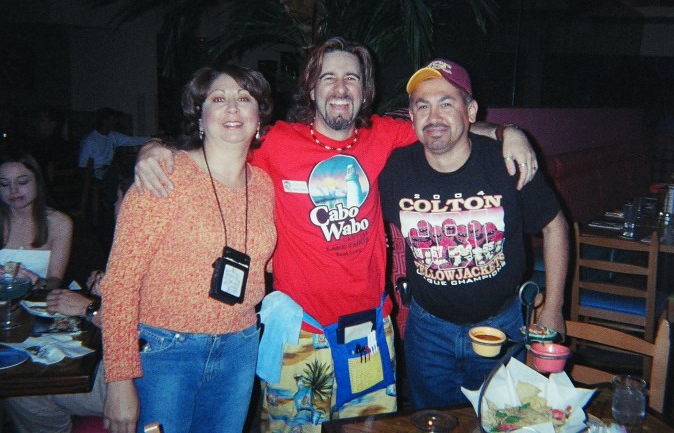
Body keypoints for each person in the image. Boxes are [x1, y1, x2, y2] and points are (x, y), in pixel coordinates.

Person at [133, 37, 538, 431]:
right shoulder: (275, 142)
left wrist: (509, 131)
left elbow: (447, 125)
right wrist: (153, 147)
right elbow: (213, 142)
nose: (341, 88)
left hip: (370, 333)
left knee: (367, 428)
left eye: (352, 78)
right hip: (300, 334)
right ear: (311, 87)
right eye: (328, 77)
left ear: (365, 91)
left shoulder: (385, 135)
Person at [378, 59, 569, 410]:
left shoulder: (506, 163)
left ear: (471, 111)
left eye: (446, 103)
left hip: (499, 325)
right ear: (412, 115)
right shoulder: (396, 169)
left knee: (499, 418)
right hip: (427, 331)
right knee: (431, 422)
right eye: (423, 105)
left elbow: (554, 225)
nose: (434, 116)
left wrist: (553, 308)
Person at [99, 64, 277, 433]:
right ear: (200, 115)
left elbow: (267, 263)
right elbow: (119, 284)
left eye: (244, 99)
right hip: (166, 353)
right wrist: (119, 380)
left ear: (258, 117)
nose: (232, 108)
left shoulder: (263, 185)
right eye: (218, 99)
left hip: (241, 347)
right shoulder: (164, 175)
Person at [3, 270, 106, 433]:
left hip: (147, 375)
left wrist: (90, 309)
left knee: (26, 389)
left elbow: (149, 332)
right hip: (127, 357)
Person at [0, 149, 73, 290]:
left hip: (34, 302)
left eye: (22, 182)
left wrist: (37, 282)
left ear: (37, 182)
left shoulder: (59, 223)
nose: (13, 190)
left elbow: (55, 280)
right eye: (4, 184)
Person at [78, 107, 149, 180]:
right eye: (113, 119)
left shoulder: (113, 136)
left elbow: (132, 140)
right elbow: (82, 164)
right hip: (95, 173)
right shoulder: (90, 140)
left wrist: (153, 138)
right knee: (115, 175)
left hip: (108, 169)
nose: (116, 122)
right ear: (104, 121)